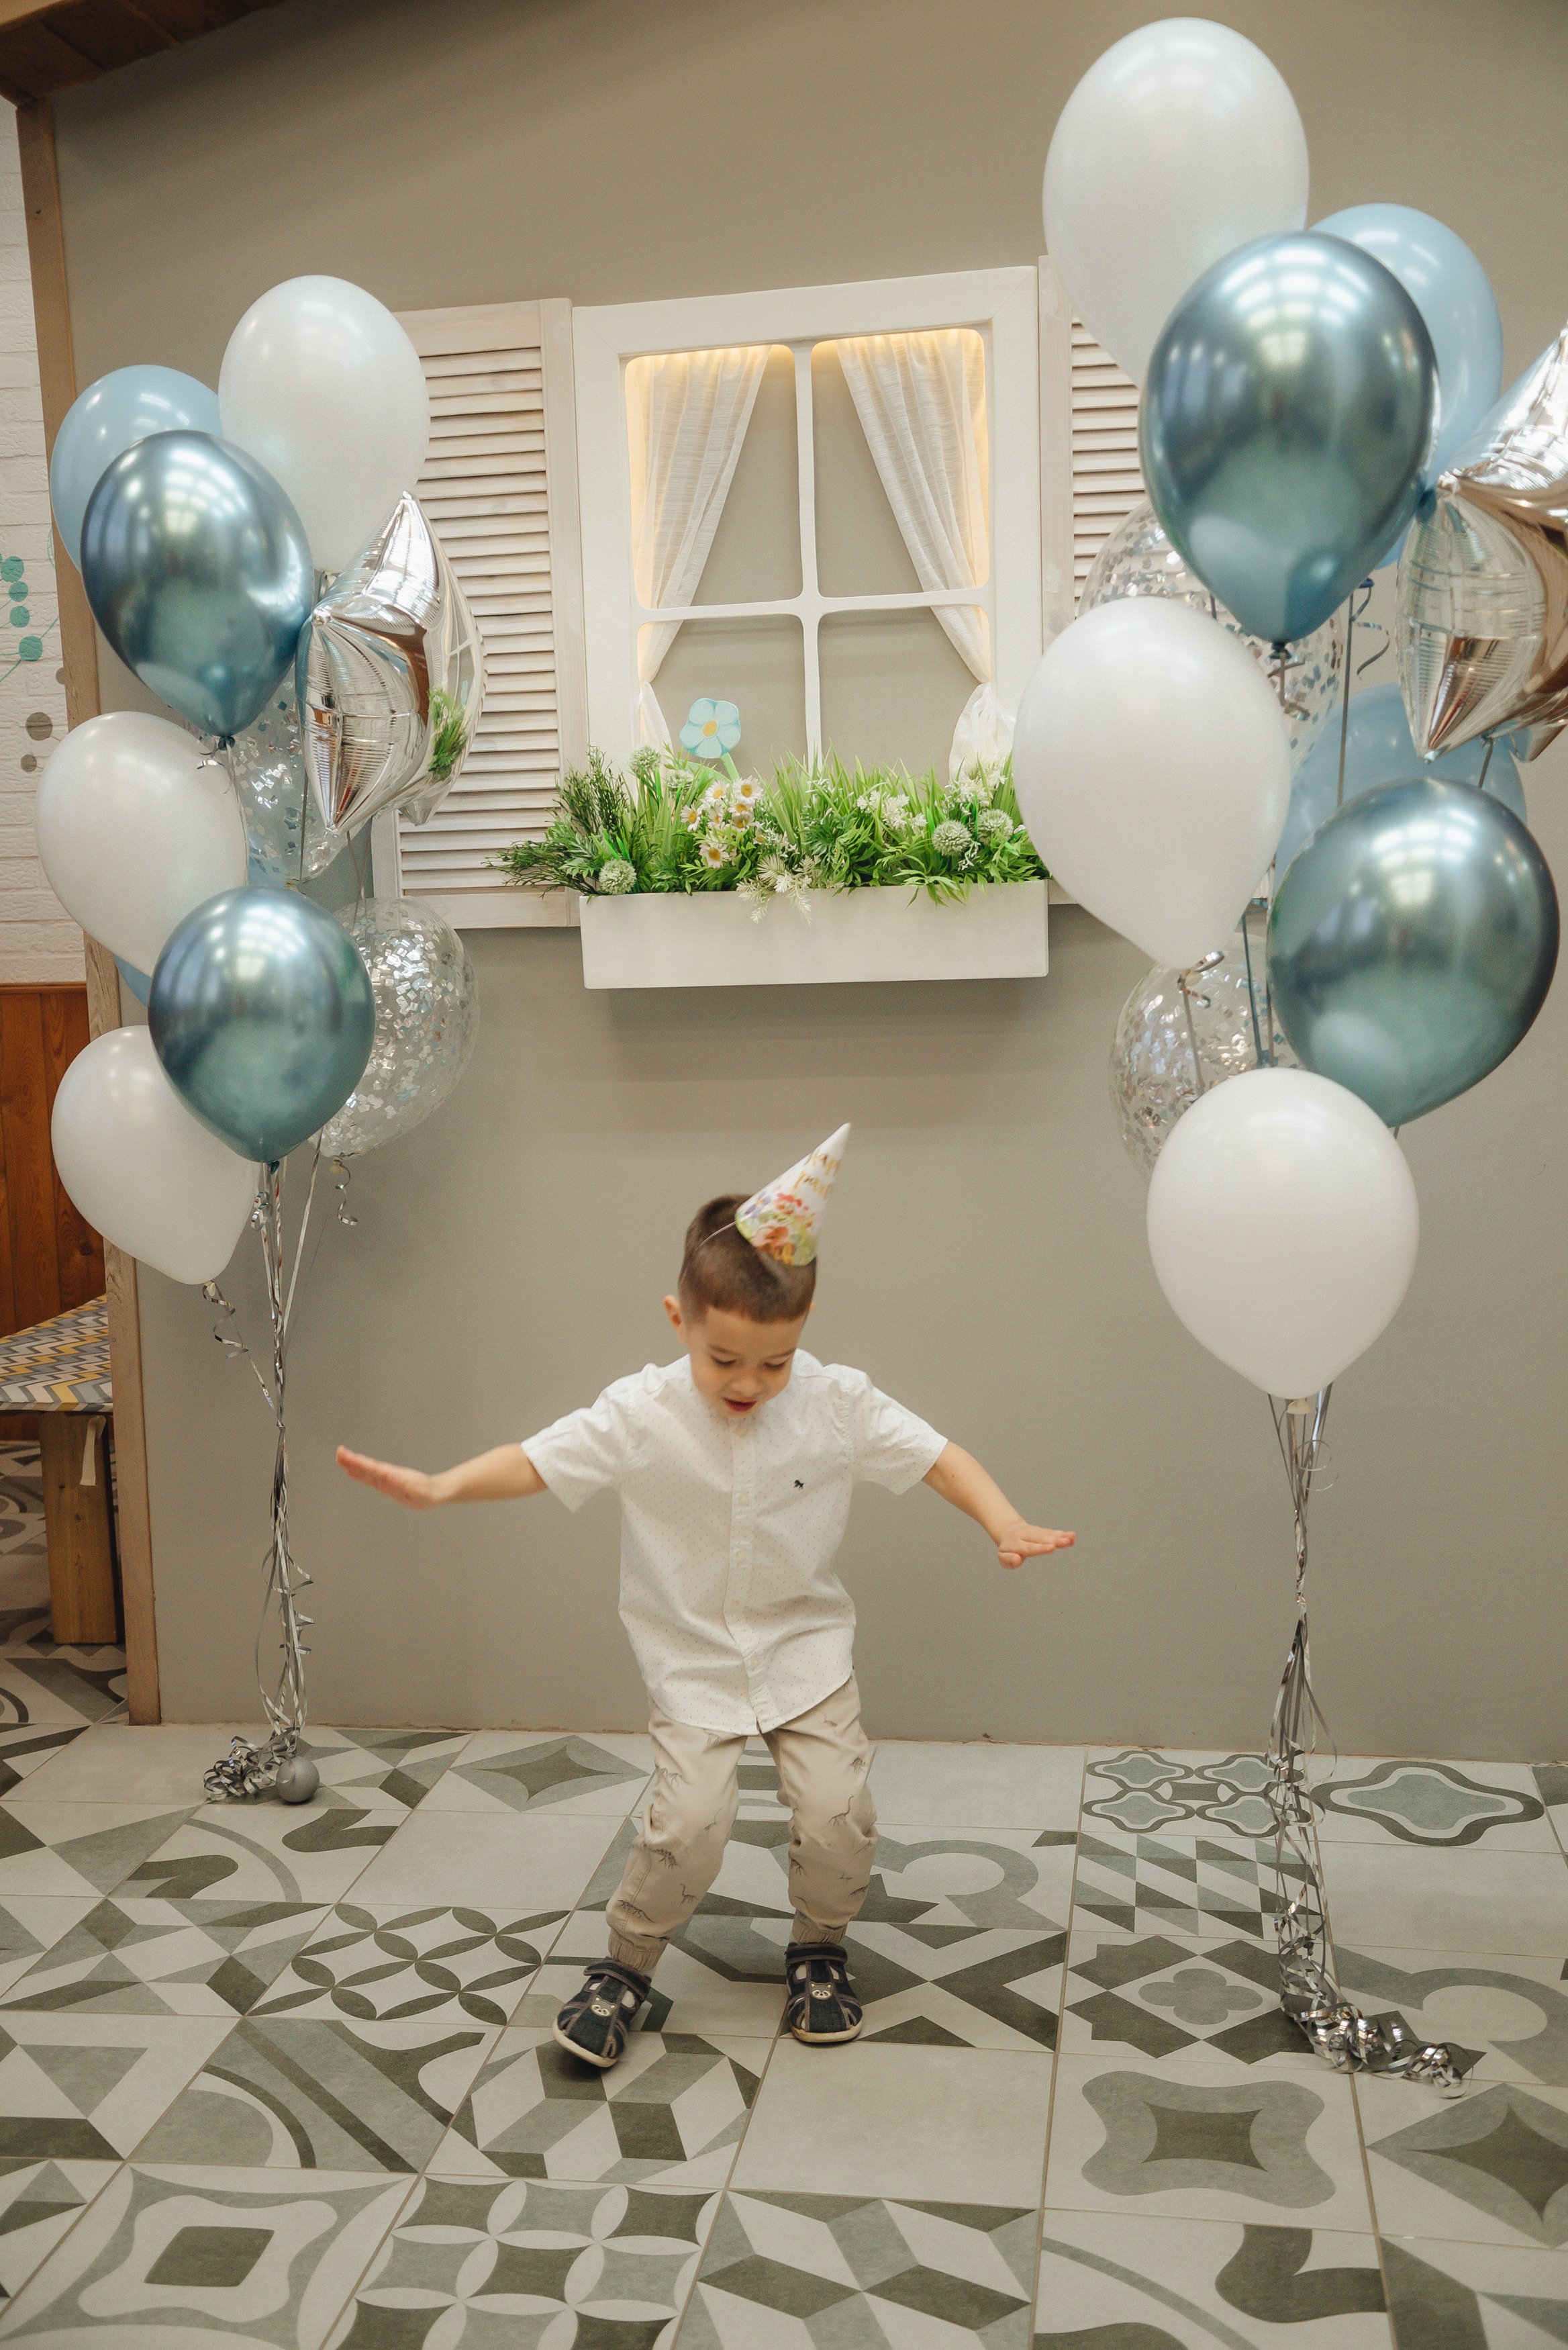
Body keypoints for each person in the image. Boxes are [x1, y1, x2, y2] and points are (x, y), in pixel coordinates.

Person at [338, 1124, 1075, 2069]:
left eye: (775, 1363)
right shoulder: (639, 1413)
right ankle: (627, 1964)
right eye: (725, 1359)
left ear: (803, 1338)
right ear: (677, 1319)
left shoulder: (836, 1400)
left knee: (838, 1813)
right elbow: (536, 1460)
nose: (749, 1384)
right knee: (688, 1825)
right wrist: (443, 1486)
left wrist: (1001, 1519)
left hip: (805, 1654)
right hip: (690, 1661)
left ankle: (818, 1948)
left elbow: (939, 1459)